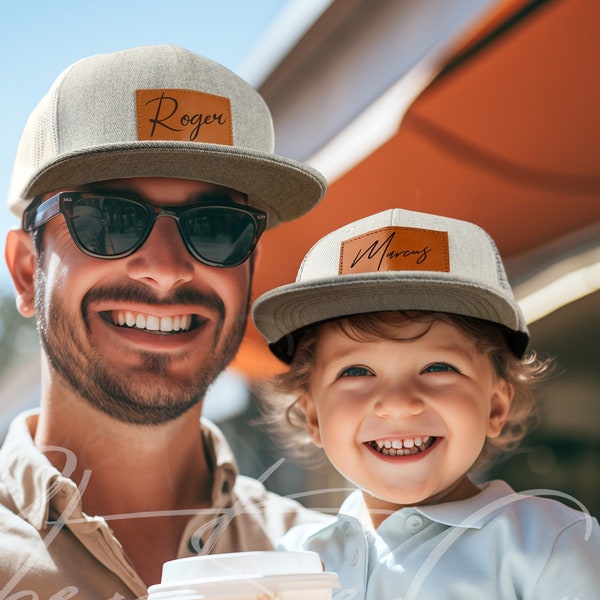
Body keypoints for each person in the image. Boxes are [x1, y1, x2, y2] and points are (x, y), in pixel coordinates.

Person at [0, 44, 332, 597]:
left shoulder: (324, 560)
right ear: (26, 270)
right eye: (108, 218)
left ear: (251, 266)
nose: (167, 269)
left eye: (216, 227)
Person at [251, 208, 600, 599]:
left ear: (496, 407)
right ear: (312, 415)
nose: (398, 404)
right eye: (355, 372)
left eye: (437, 367)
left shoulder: (550, 545)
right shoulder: (292, 559)